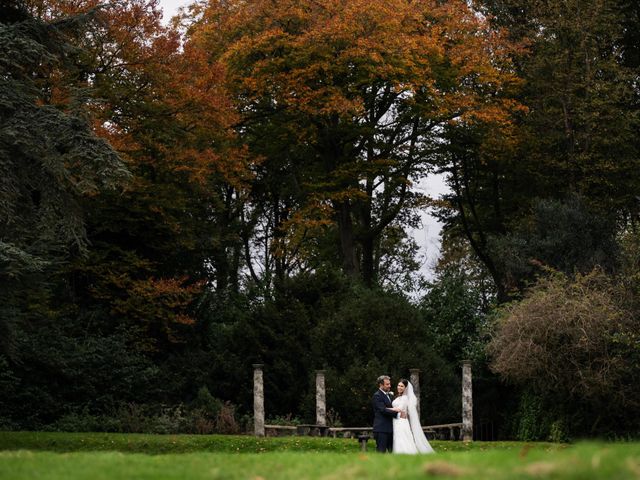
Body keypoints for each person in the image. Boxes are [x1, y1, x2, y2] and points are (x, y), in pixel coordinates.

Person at [391, 378, 435, 454]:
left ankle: (404, 454)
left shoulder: (405, 398)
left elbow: (399, 409)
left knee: (402, 439)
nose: (399, 387)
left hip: (401, 422)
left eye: (402, 386)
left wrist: (385, 409)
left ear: (405, 388)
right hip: (396, 420)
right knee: (397, 438)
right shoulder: (398, 397)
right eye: (398, 385)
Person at [372, 375, 405, 453]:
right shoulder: (377, 396)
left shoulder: (390, 395)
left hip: (392, 429)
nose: (389, 386)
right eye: (387, 384)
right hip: (381, 430)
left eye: (389, 384)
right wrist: (398, 414)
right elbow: (383, 410)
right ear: (381, 385)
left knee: (393, 452)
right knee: (381, 453)